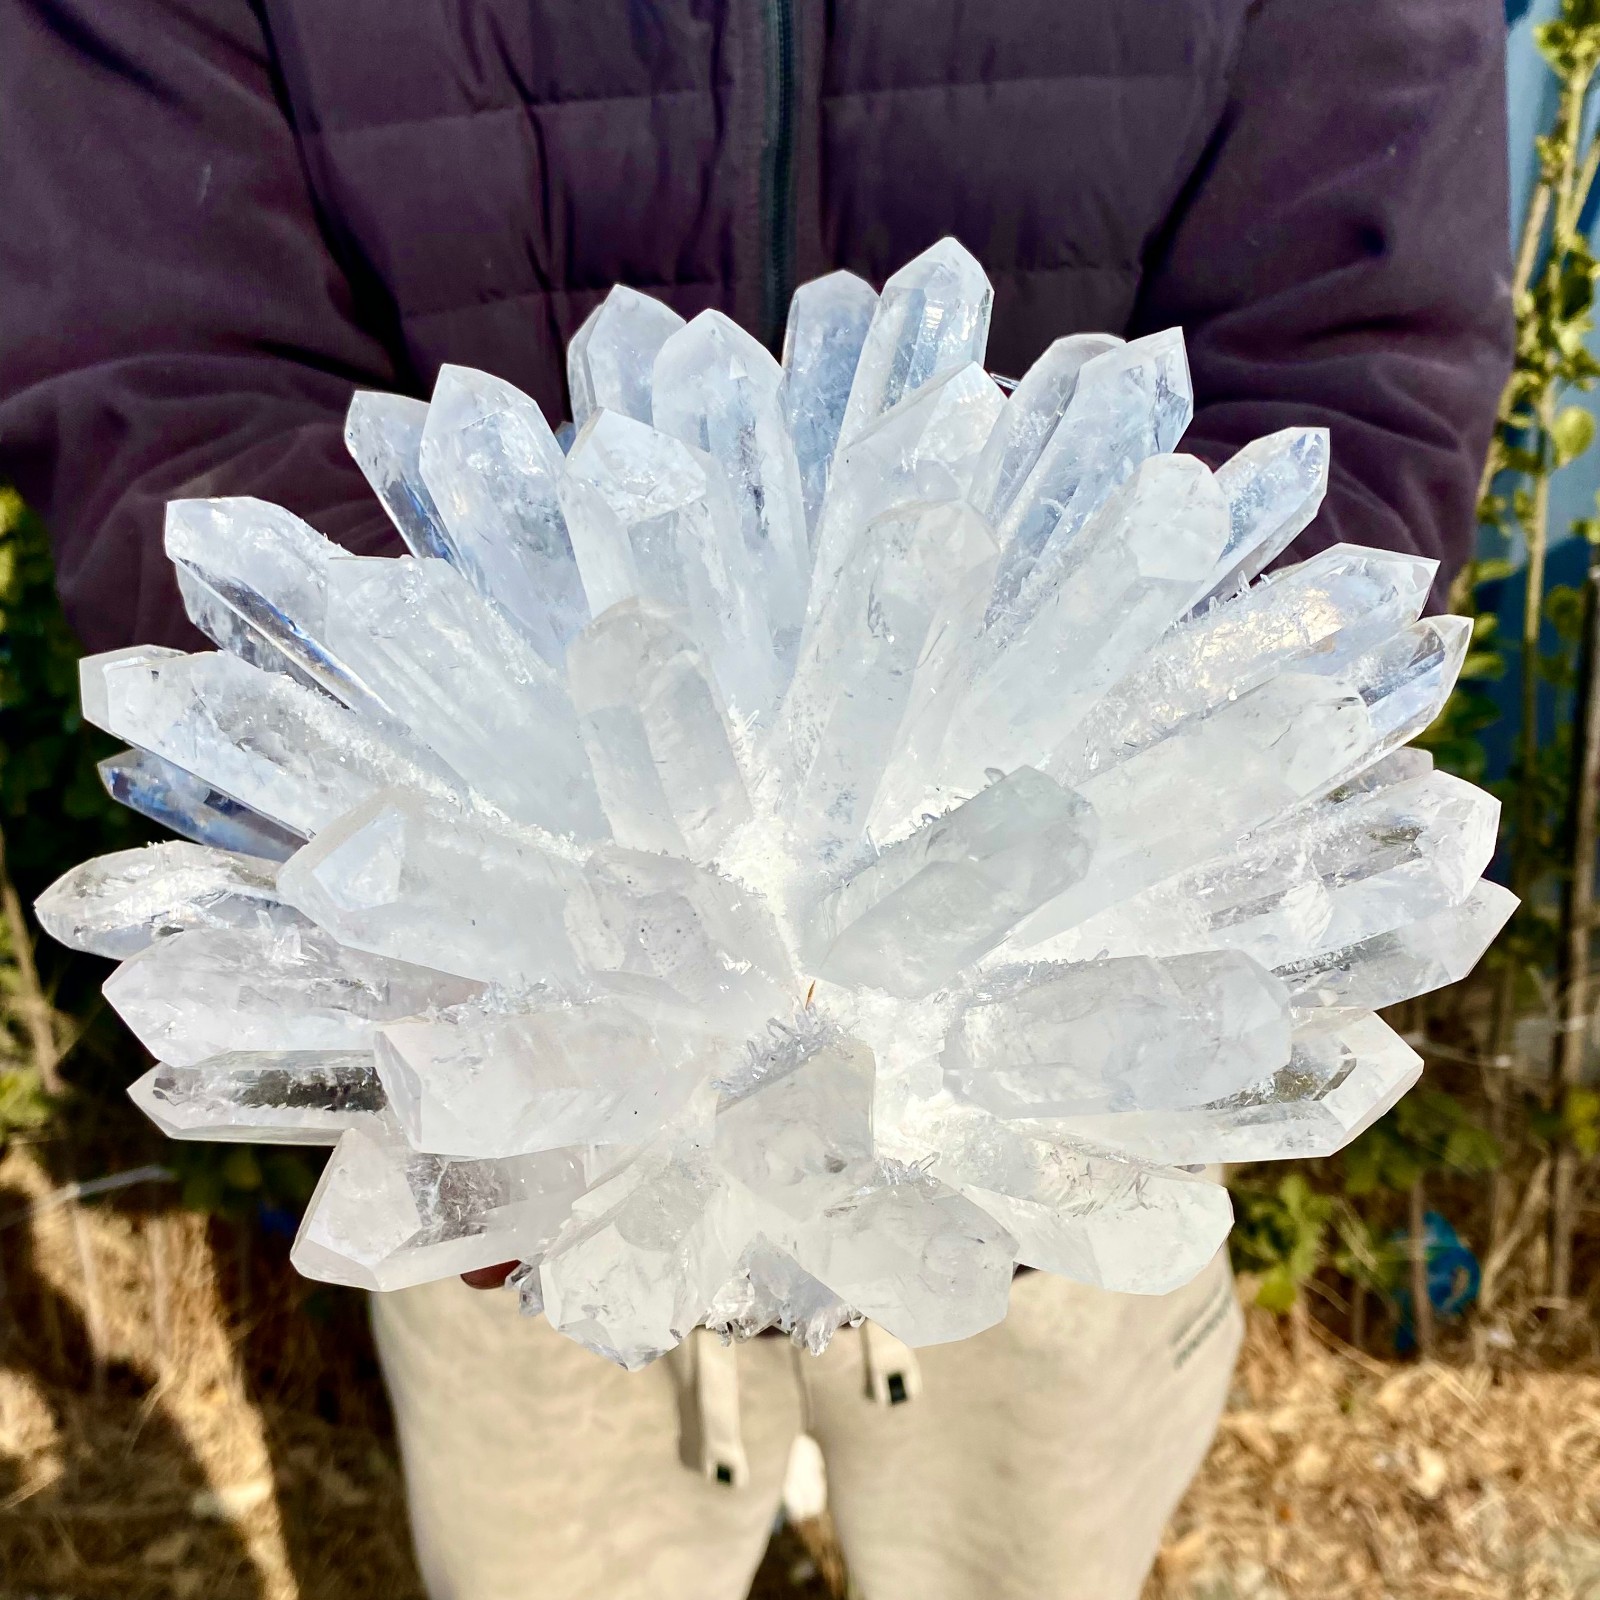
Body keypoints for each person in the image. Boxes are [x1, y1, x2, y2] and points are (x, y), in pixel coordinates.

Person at [0, 3, 1512, 1597]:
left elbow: (1354, 349)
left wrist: (1123, 843)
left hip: (1067, 1096)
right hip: (512, 1107)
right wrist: (451, 868)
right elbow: (166, 363)